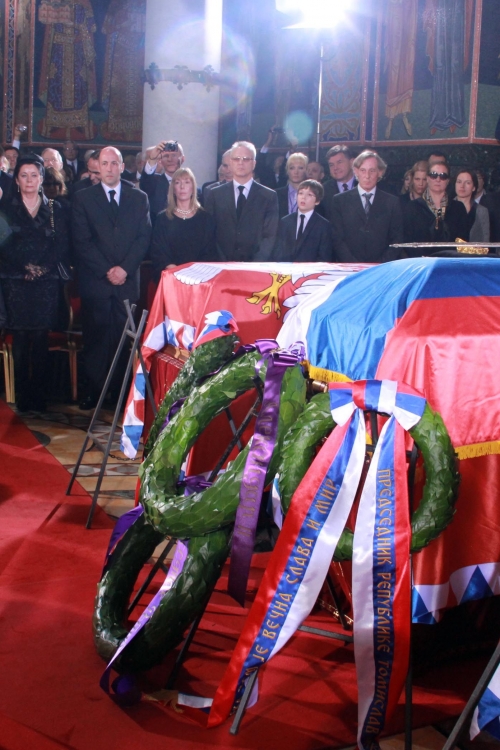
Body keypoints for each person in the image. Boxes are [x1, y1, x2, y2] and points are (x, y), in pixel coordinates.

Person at [72, 146, 151, 410]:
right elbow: (82, 241)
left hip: (126, 283)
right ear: (98, 166)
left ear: (121, 167)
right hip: (97, 282)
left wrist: (124, 269)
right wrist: (108, 270)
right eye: (104, 164)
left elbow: (143, 238)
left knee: (122, 339)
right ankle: (94, 392)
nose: (109, 168)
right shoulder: (83, 198)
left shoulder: (139, 198)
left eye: (114, 163)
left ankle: (119, 394)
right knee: (95, 338)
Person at [0, 154, 70, 411]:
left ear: (41, 179)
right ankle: (22, 394)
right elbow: (3, 243)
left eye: (34, 175)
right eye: (24, 175)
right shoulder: (6, 208)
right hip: (15, 280)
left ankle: (40, 395)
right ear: (16, 180)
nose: (29, 180)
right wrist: (25, 267)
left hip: (46, 282)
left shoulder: (55, 209)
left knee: (41, 336)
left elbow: (62, 244)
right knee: (19, 336)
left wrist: (42, 268)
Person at [204, 141, 279, 261]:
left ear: (254, 163)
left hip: (255, 266)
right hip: (220, 264)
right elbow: (209, 233)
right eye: (236, 159)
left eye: (246, 159)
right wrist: (222, 262)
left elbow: (270, 236)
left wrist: (255, 264)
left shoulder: (268, 196)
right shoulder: (215, 194)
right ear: (230, 162)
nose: (240, 163)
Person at [330, 150, 403, 263]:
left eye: (372, 171)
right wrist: (353, 265)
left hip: (382, 267)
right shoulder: (339, 201)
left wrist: (380, 265)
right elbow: (337, 239)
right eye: (363, 170)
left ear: (380, 172)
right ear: (356, 171)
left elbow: (397, 239)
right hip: (349, 267)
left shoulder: (392, 202)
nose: (367, 176)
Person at [150, 167, 216, 282]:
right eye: (177, 182)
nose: (182, 186)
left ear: (193, 188)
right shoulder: (162, 218)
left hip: (199, 279)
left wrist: (194, 273)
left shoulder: (206, 219)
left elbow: (210, 251)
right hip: (170, 278)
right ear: (173, 189)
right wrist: (171, 268)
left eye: (186, 182)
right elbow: (158, 250)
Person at [403, 162, 469, 252]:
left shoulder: (458, 208)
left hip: (451, 259)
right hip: (421, 259)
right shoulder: (412, 207)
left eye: (443, 176)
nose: (438, 179)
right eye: (433, 175)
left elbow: (463, 241)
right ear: (427, 178)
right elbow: (407, 240)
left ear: (448, 181)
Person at [276, 179, 333, 262]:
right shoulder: (285, 221)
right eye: (300, 193)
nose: (303, 197)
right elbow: (278, 252)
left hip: (311, 269)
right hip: (287, 269)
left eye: (309, 195)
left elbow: (324, 257)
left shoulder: (323, 225)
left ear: (317, 201)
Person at [139, 140, 184, 223]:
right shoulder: (154, 183)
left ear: (183, 159)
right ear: (161, 160)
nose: (170, 159)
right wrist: (152, 159)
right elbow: (145, 183)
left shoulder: (191, 187)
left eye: (174, 155)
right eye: (166, 156)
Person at [322, 145, 357, 224]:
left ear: (352, 162)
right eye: (331, 165)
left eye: (339, 162)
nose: (335, 168)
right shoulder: (323, 190)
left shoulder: (364, 186)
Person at [454, 169, 490, 243]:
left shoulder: (482, 211)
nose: (462, 186)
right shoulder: (446, 208)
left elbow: (485, 239)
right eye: (459, 182)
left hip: (475, 250)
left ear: (474, 187)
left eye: (467, 183)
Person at [276, 152, 308, 218]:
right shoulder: (276, 194)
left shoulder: (312, 195)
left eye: (300, 168)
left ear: (306, 170)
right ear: (287, 171)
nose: (296, 172)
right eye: (292, 168)